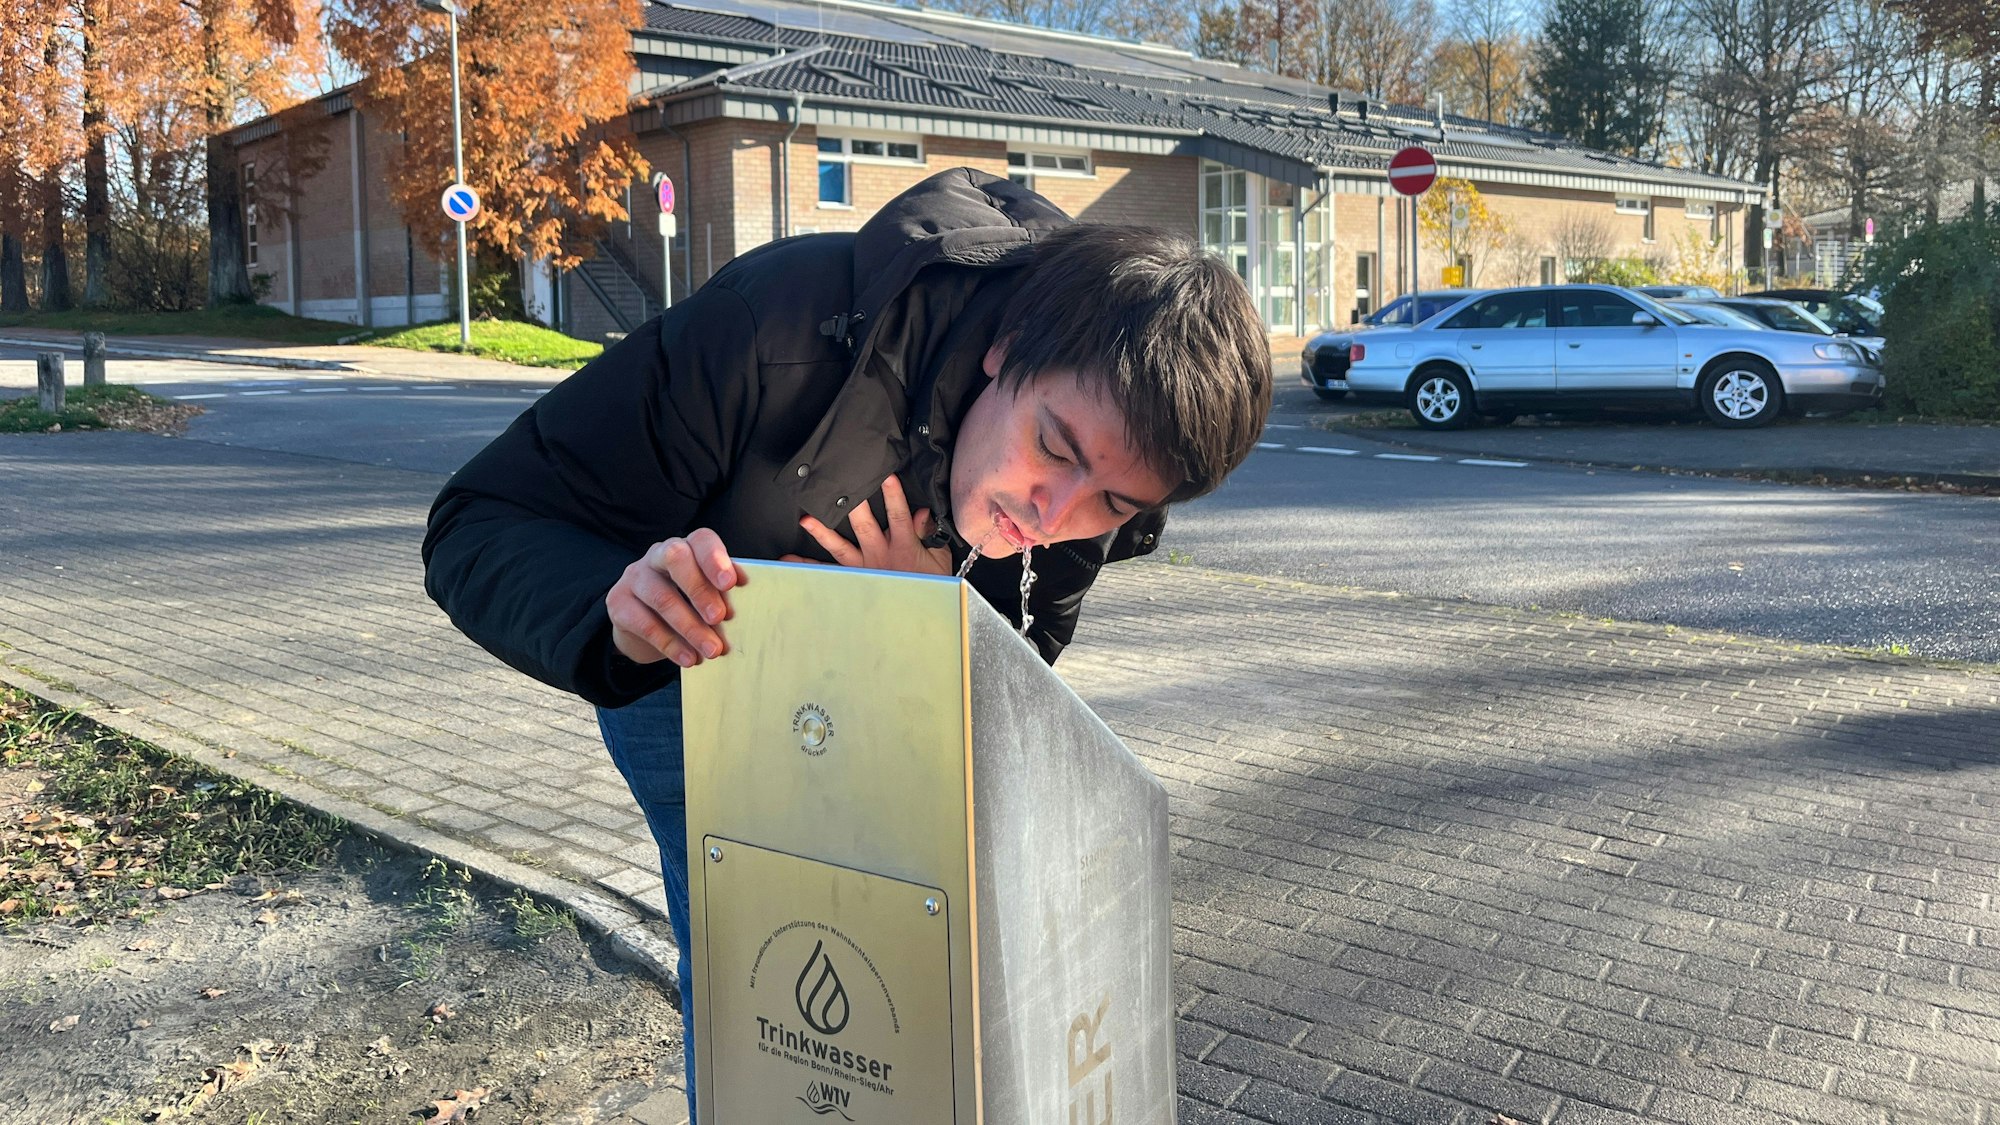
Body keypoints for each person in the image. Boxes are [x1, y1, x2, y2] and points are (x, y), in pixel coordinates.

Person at [422, 166, 1271, 1113]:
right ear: (1006, 349)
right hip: (693, 672)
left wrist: (919, 630)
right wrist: (617, 608)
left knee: (913, 955)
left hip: (895, 706)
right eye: (1056, 449)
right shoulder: (776, 328)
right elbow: (482, 519)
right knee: (751, 953)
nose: (1053, 512)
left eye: (1112, 503)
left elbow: (1021, 677)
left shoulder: (1101, 474)